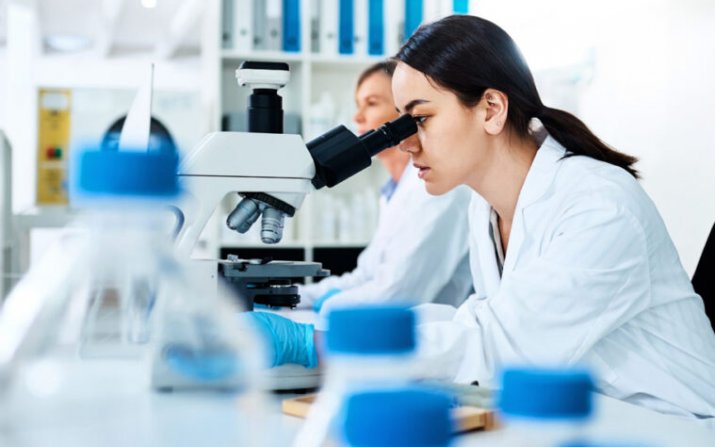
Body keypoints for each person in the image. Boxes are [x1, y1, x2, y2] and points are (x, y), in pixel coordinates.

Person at [249, 15, 715, 424]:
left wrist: (314, 342)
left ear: (491, 109)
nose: (406, 143)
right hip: (579, 414)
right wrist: (342, 330)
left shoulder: (599, 206)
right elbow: (479, 321)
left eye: (420, 119)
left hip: (668, 425)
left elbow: (497, 342)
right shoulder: (485, 208)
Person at [297, 61, 473, 315]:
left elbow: (397, 294)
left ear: (406, 112)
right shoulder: (394, 191)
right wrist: (294, 296)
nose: (357, 117)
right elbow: (365, 276)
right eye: (358, 105)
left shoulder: (441, 188)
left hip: (426, 337)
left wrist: (329, 306)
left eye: (372, 102)